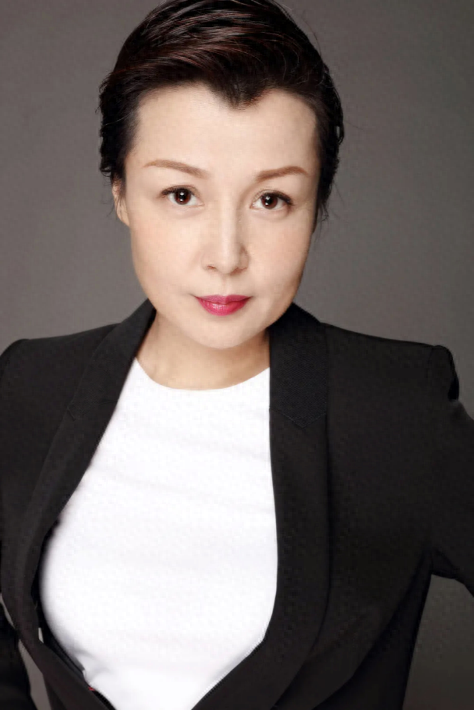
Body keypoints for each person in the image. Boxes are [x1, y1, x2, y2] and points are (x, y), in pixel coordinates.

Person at [0, 0, 472, 709]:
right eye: (181, 193)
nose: (226, 255)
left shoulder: (397, 410)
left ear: (316, 205)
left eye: (272, 200)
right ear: (121, 191)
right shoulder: (29, 386)